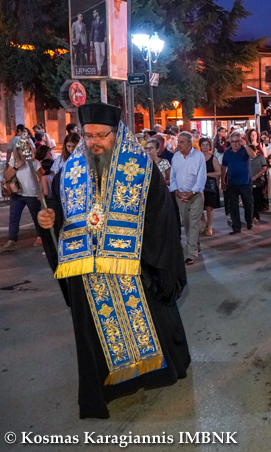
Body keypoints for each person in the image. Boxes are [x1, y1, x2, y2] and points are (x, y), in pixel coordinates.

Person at [36, 102, 190, 419]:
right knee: (95, 334)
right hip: (85, 269)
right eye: (86, 135)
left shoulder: (142, 167)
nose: (93, 141)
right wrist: (47, 219)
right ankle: (107, 388)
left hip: (133, 265)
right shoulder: (68, 172)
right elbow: (56, 209)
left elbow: (161, 216)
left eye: (100, 135)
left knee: (150, 323)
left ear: (116, 133)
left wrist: (151, 259)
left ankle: (154, 374)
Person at [169, 132, 206, 265]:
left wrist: (192, 192)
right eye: (178, 141)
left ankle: (190, 253)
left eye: (182, 142)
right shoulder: (176, 157)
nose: (179, 144)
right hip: (181, 196)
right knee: (187, 223)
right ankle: (195, 245)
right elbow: (172, 177)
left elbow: (201, 177)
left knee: (194, 222)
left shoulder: (198, 156)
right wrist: (177, 192)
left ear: (190, 143)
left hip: (195, 196)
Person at [1, 142, 43, 253]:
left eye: (27, 149)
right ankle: (11, 240)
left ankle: (40, 236)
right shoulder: (13, 162)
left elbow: (42, 177)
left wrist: (41, 192)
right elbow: (6, 176)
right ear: (17, 151)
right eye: (21, 149)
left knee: (36, 216)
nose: (24, 152)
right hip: (17, 194)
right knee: (14, 217)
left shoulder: (34, 163)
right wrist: (16, 167)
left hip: (32, 194)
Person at [222, 131, 258, 234]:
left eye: (237, 141)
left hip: (245, 182)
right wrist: (223, 180)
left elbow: (253, 156)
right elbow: (224, 167)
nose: (235, 143)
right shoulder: (227, 152)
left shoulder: (244, 150)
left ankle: (249, 221)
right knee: (233, 206)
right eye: (233, 142)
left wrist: (245, 145)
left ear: (240, 141)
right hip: (232, 183)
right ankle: (236, 227)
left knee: (248, 204)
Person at [199, 137, 221, 236]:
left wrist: (206, 174)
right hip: (199, 184)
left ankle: (210, 226)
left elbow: (219, 172)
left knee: (209, 207)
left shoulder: (213, 158)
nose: (205, 146)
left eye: (207, 144)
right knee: (198, 206)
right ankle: (204, 222)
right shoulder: (197, 157)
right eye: (203, 144)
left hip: (210, 184)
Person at [250, 143, 268, 221]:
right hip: (248, 182)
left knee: (256, 198)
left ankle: (256, 214)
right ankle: (251, 214)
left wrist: (256, 176)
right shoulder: (246, 158)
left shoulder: (260, 157)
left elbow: (264, 168)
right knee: (249, 199)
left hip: (257, 181)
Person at [90, 8, 106, 75]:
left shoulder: (103, 20)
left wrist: (106, 36)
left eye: (94, 13)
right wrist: (91, 41)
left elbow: (105, 28)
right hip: (96, 39)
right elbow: (92, 31)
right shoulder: (93, 22)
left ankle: (100, 63)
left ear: (97, 13)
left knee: (103, 53)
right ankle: (99, 69)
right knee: (97, 53)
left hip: (102, 38)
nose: (93, 14)